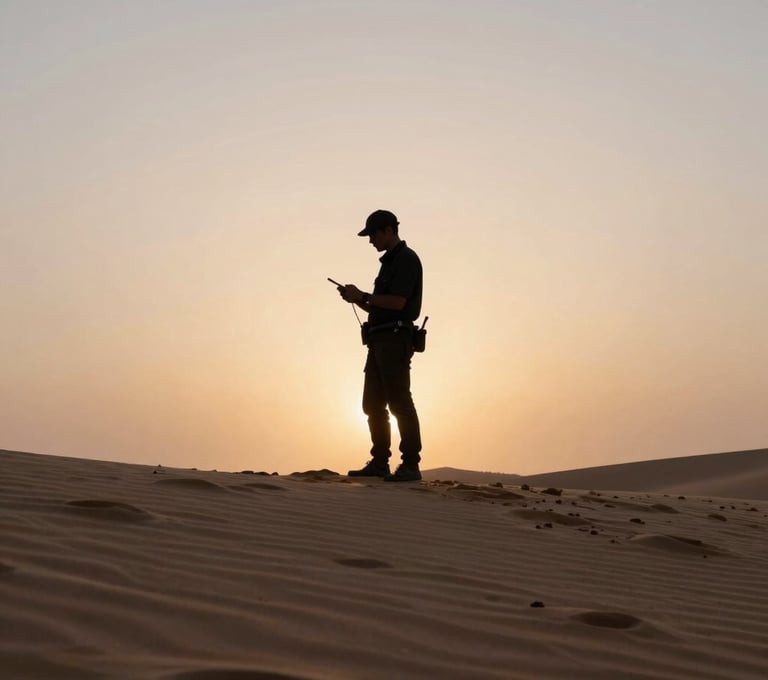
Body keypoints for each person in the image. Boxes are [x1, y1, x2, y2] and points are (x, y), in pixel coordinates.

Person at [337, 209, 424, 482]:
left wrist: (363, 295)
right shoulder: (388, 262)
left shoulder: (407, 260)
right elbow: (379, 305)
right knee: (371, 403)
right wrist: (356, 299)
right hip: (378, 340)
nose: (370, 240)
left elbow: (398, 303)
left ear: (388, 230)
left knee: (399, 402)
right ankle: (379, 461)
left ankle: (410, 464)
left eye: (373, 234)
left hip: (395, 340)